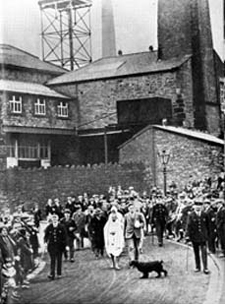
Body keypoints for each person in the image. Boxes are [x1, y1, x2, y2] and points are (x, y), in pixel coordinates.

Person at [186, 198, 210, 274]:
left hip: (203, 236)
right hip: (194, 237)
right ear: (194, 206)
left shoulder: (205, 214)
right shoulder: (191, 215)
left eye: (200, 205)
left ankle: (205, 268)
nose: (198, 207)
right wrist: (188, 237)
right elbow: (188, 226)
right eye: (196, 205)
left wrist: (208, 235)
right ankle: (197, 266)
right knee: (196, 252)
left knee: (204, 252)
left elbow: (208, 225)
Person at [44, 214, 69, 280]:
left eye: (55, 218)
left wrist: (66, 245)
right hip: (52, 246)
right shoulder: (49, 227)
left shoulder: (61, 227)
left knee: (59, 260)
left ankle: (59, 273)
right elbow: (46, 236)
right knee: (52, 260)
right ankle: (52, 274)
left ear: (57, 219)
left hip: (60, 246)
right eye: (53, 218)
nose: (54, 220)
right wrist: (45, 242)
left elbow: (65, 236)